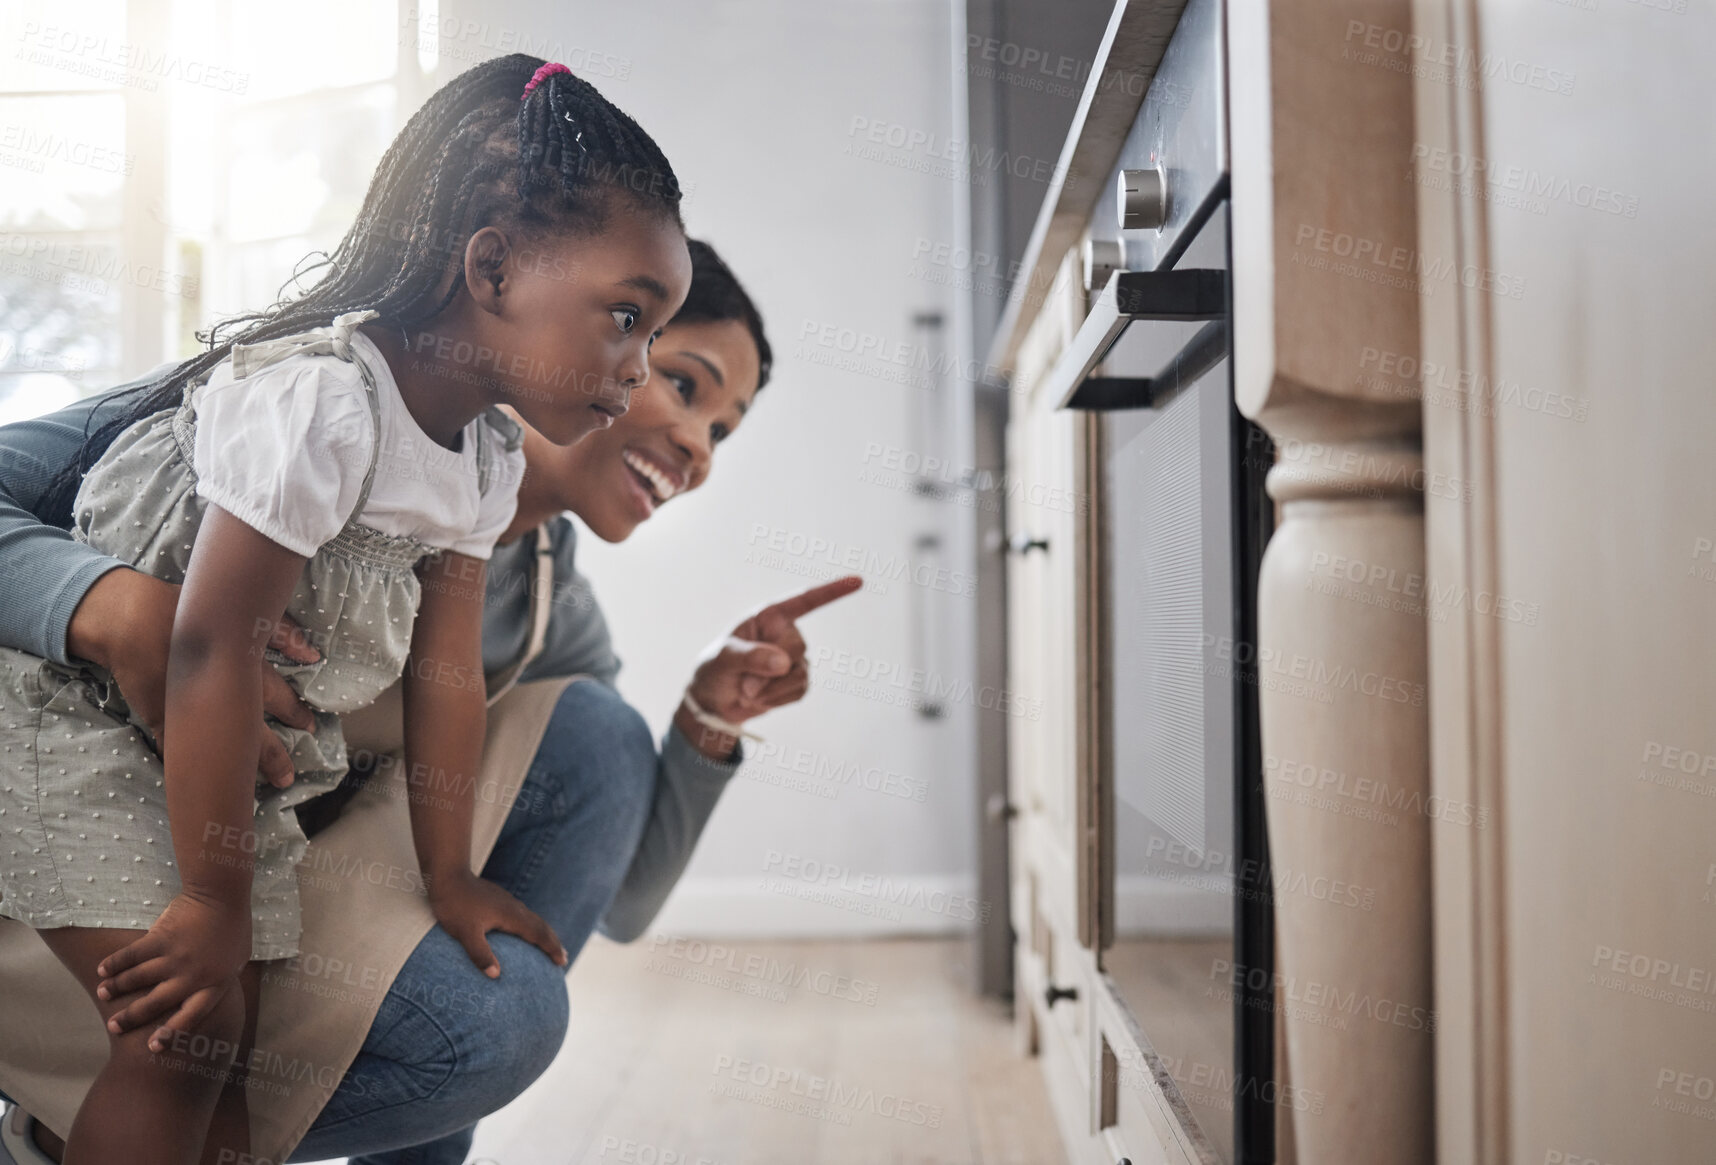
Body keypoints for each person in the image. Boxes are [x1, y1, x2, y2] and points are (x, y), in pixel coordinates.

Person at [0, 239, 860, 1163]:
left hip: (266, 882)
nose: (699, 449)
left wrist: (708, 719)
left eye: (724, 431)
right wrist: (114, 609)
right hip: (87, 843)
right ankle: (76, 1110)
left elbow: (623, 899)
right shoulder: (290, 398)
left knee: (592, 755)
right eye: (681, 383)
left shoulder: (545, 604)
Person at [0, 53, 693, 1165]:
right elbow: (211, 647)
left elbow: (446, 676)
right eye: (624, 315)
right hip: (84, 729)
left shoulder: (482, 458)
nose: (637, 369)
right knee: (189, 1031)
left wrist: (452, 874)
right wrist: (218, 902)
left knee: (244, 1063)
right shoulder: (320, 402)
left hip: (224, 770)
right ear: (493, 267)